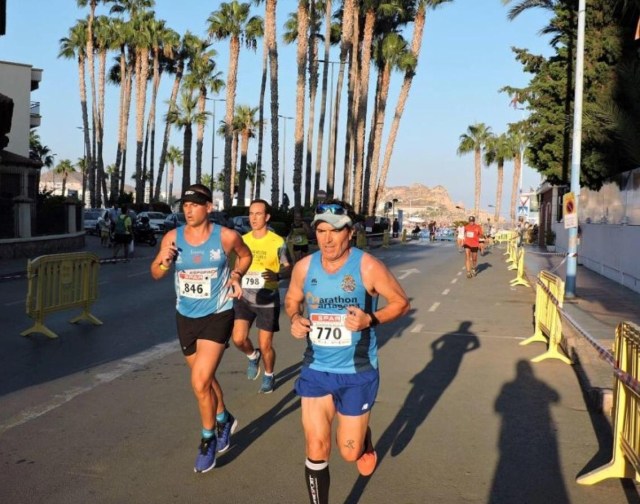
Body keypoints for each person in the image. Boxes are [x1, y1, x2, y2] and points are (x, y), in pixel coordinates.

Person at [284, 199, 410, 504]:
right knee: (316, 446)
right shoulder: (304, 267)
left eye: (335, 231)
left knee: (349, 452)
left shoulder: (367, 266)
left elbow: (401, 303)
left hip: (357, 372)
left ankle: (363, 441)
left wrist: (371, 319)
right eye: (321, 231)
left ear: (350, 233)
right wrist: (295, 318)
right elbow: (292, 299)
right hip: (316, 369)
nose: (327, 239)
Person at [150, 183, 252, 474]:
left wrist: (236, 275)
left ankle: (208, 440)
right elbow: (155, 272)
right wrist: (164, 262)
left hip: (218, 314)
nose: (189, 210)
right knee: (203, 378)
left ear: (209, 207)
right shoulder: (173, 237)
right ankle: (224, 418)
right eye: (185, 205)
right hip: (186, 316)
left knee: (199, 382)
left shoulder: (226, 237)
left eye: (195, 204)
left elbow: (246, 256)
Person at [232, 199, 292, 394]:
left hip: (267, 298)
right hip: (244, 297)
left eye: (258, 214)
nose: (253, 218)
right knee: (238, 339)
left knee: (265, 344)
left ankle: (269, 374)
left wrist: (278, 275)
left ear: (267, 217)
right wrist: (234, 280)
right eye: (251, 213)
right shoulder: (242, 240)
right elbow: (237, 266)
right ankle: (252, 356)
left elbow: (289, 268)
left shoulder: (277, 241)